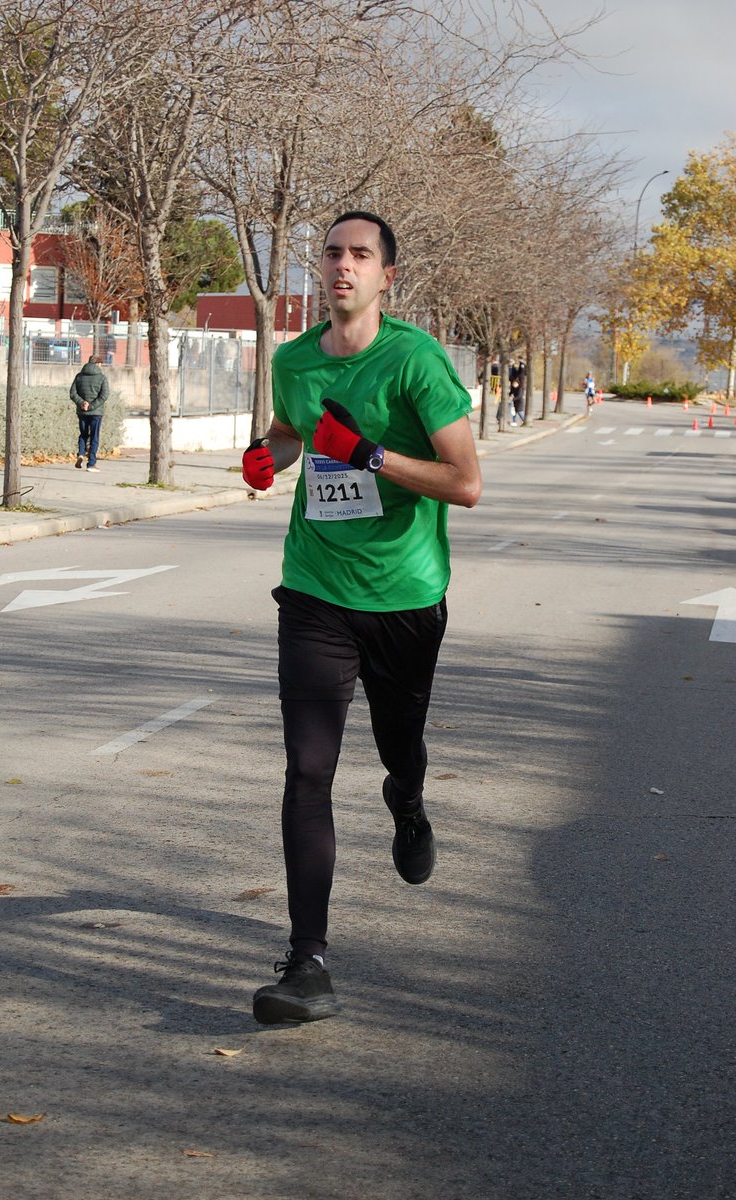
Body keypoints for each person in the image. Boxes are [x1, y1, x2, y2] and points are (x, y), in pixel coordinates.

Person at [241, 211, 482, 1024]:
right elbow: (289, 432)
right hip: (314, 589)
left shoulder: (416, 360)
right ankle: (307, 960)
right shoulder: (296, 359)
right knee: (308, 769)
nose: (342, 266)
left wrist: (370, 456)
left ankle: (408, 803)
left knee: (398, 747)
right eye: (333, 253)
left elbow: (466, 482)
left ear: (385, 276)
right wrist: (267, 455)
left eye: (360, 255)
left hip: (405, 596)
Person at [70, 355, 109, 472]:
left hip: (82, 412)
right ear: (97, 364)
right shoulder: (102, 378)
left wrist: (82, 403)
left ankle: (81, 454)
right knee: (94, 437)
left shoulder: (79, 376)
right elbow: (104, 395)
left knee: (83, 434)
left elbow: (73, 393)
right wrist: (91, 406)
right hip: (96, 412)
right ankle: (91, 463)